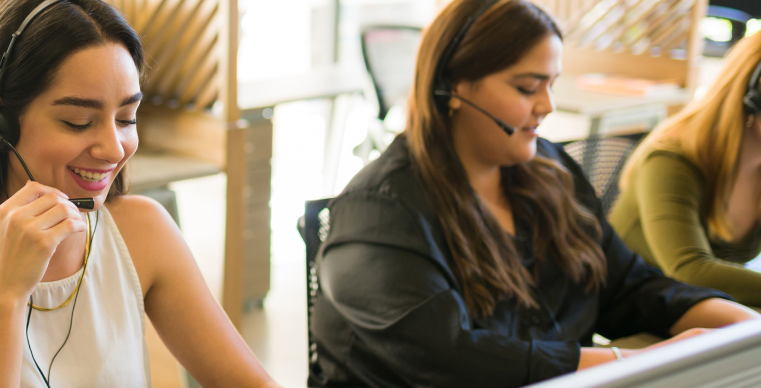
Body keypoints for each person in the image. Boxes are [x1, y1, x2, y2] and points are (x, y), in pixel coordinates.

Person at [308, 0, 760, 386]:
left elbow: (625, 285)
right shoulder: (379, 213)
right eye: (527, 87)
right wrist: (633, 361)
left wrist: (743, 327)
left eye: (551, 84)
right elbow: (454, 360)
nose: (547, 105)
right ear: (454, 85)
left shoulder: (549, 173)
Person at [0, 0, 279, 387]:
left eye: (126, 118)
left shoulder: (144, 231)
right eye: (78, 121)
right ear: (0, 116)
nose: (113, 149)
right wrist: (6, 296)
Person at [609, 32, 761, 307]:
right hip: (634, 311)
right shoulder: (672, 159)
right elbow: (692, 272)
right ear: (753, 96)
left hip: (701, 308)